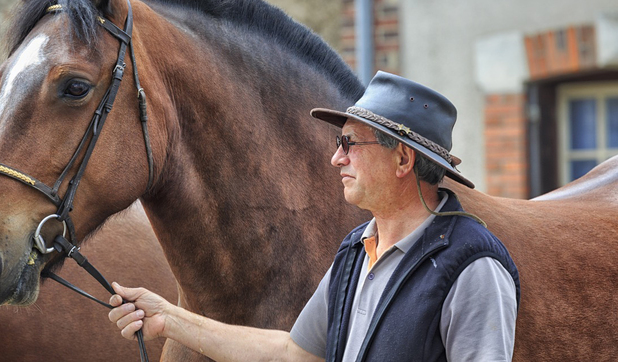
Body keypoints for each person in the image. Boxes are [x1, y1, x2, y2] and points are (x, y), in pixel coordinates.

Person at [109, 71, 520, 361]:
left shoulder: (473, 266)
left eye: (350, 142)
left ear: (402, 159)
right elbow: (292, 353)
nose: (335, 157)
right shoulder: (356, 251)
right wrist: (170, 319)